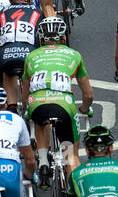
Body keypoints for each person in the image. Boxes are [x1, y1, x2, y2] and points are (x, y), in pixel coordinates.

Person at [22, 16, 93, 186]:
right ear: (63, 38)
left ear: (40, 38)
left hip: (37, 103)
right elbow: (88, 95)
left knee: (39, 120)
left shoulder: (31, 56)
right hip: (64, 105)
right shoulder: (74, 55)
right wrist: (84, 109)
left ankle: (44, 162)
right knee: (71, 154)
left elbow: (25, 94)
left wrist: (27, 111)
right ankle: (73, 196)